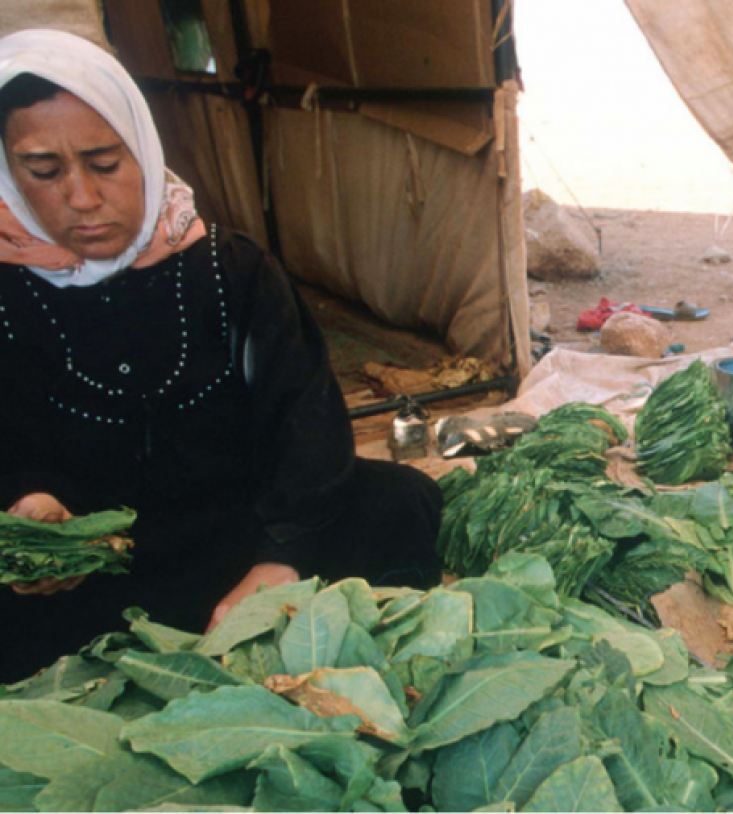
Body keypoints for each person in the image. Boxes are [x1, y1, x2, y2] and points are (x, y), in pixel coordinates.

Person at [0, 29, 442, 681]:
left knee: (402, 500)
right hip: (87, 576)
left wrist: (279, 560)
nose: (83, 197)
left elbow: (308, 427)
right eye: (43, 171)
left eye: (104, 163)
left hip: (234, 544)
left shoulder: (230, 271)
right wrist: (27, 513)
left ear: (145, 152)